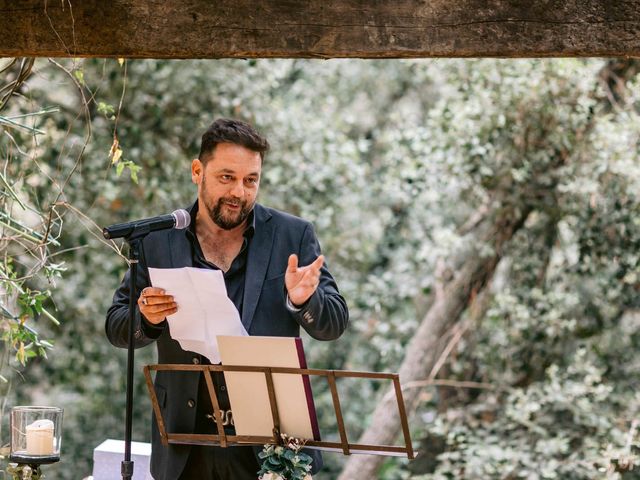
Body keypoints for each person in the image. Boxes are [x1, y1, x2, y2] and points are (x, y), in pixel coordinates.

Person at [105, 118, 349, 480]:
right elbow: (117, 328)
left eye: (251, 180)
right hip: (185, 448)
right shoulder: (157, 240)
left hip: (271, 447)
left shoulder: (293, 235)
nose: (239, 191)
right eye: (226, 177)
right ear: (197, 171)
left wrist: (304, 301)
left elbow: (334, 325)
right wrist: (147, 318)